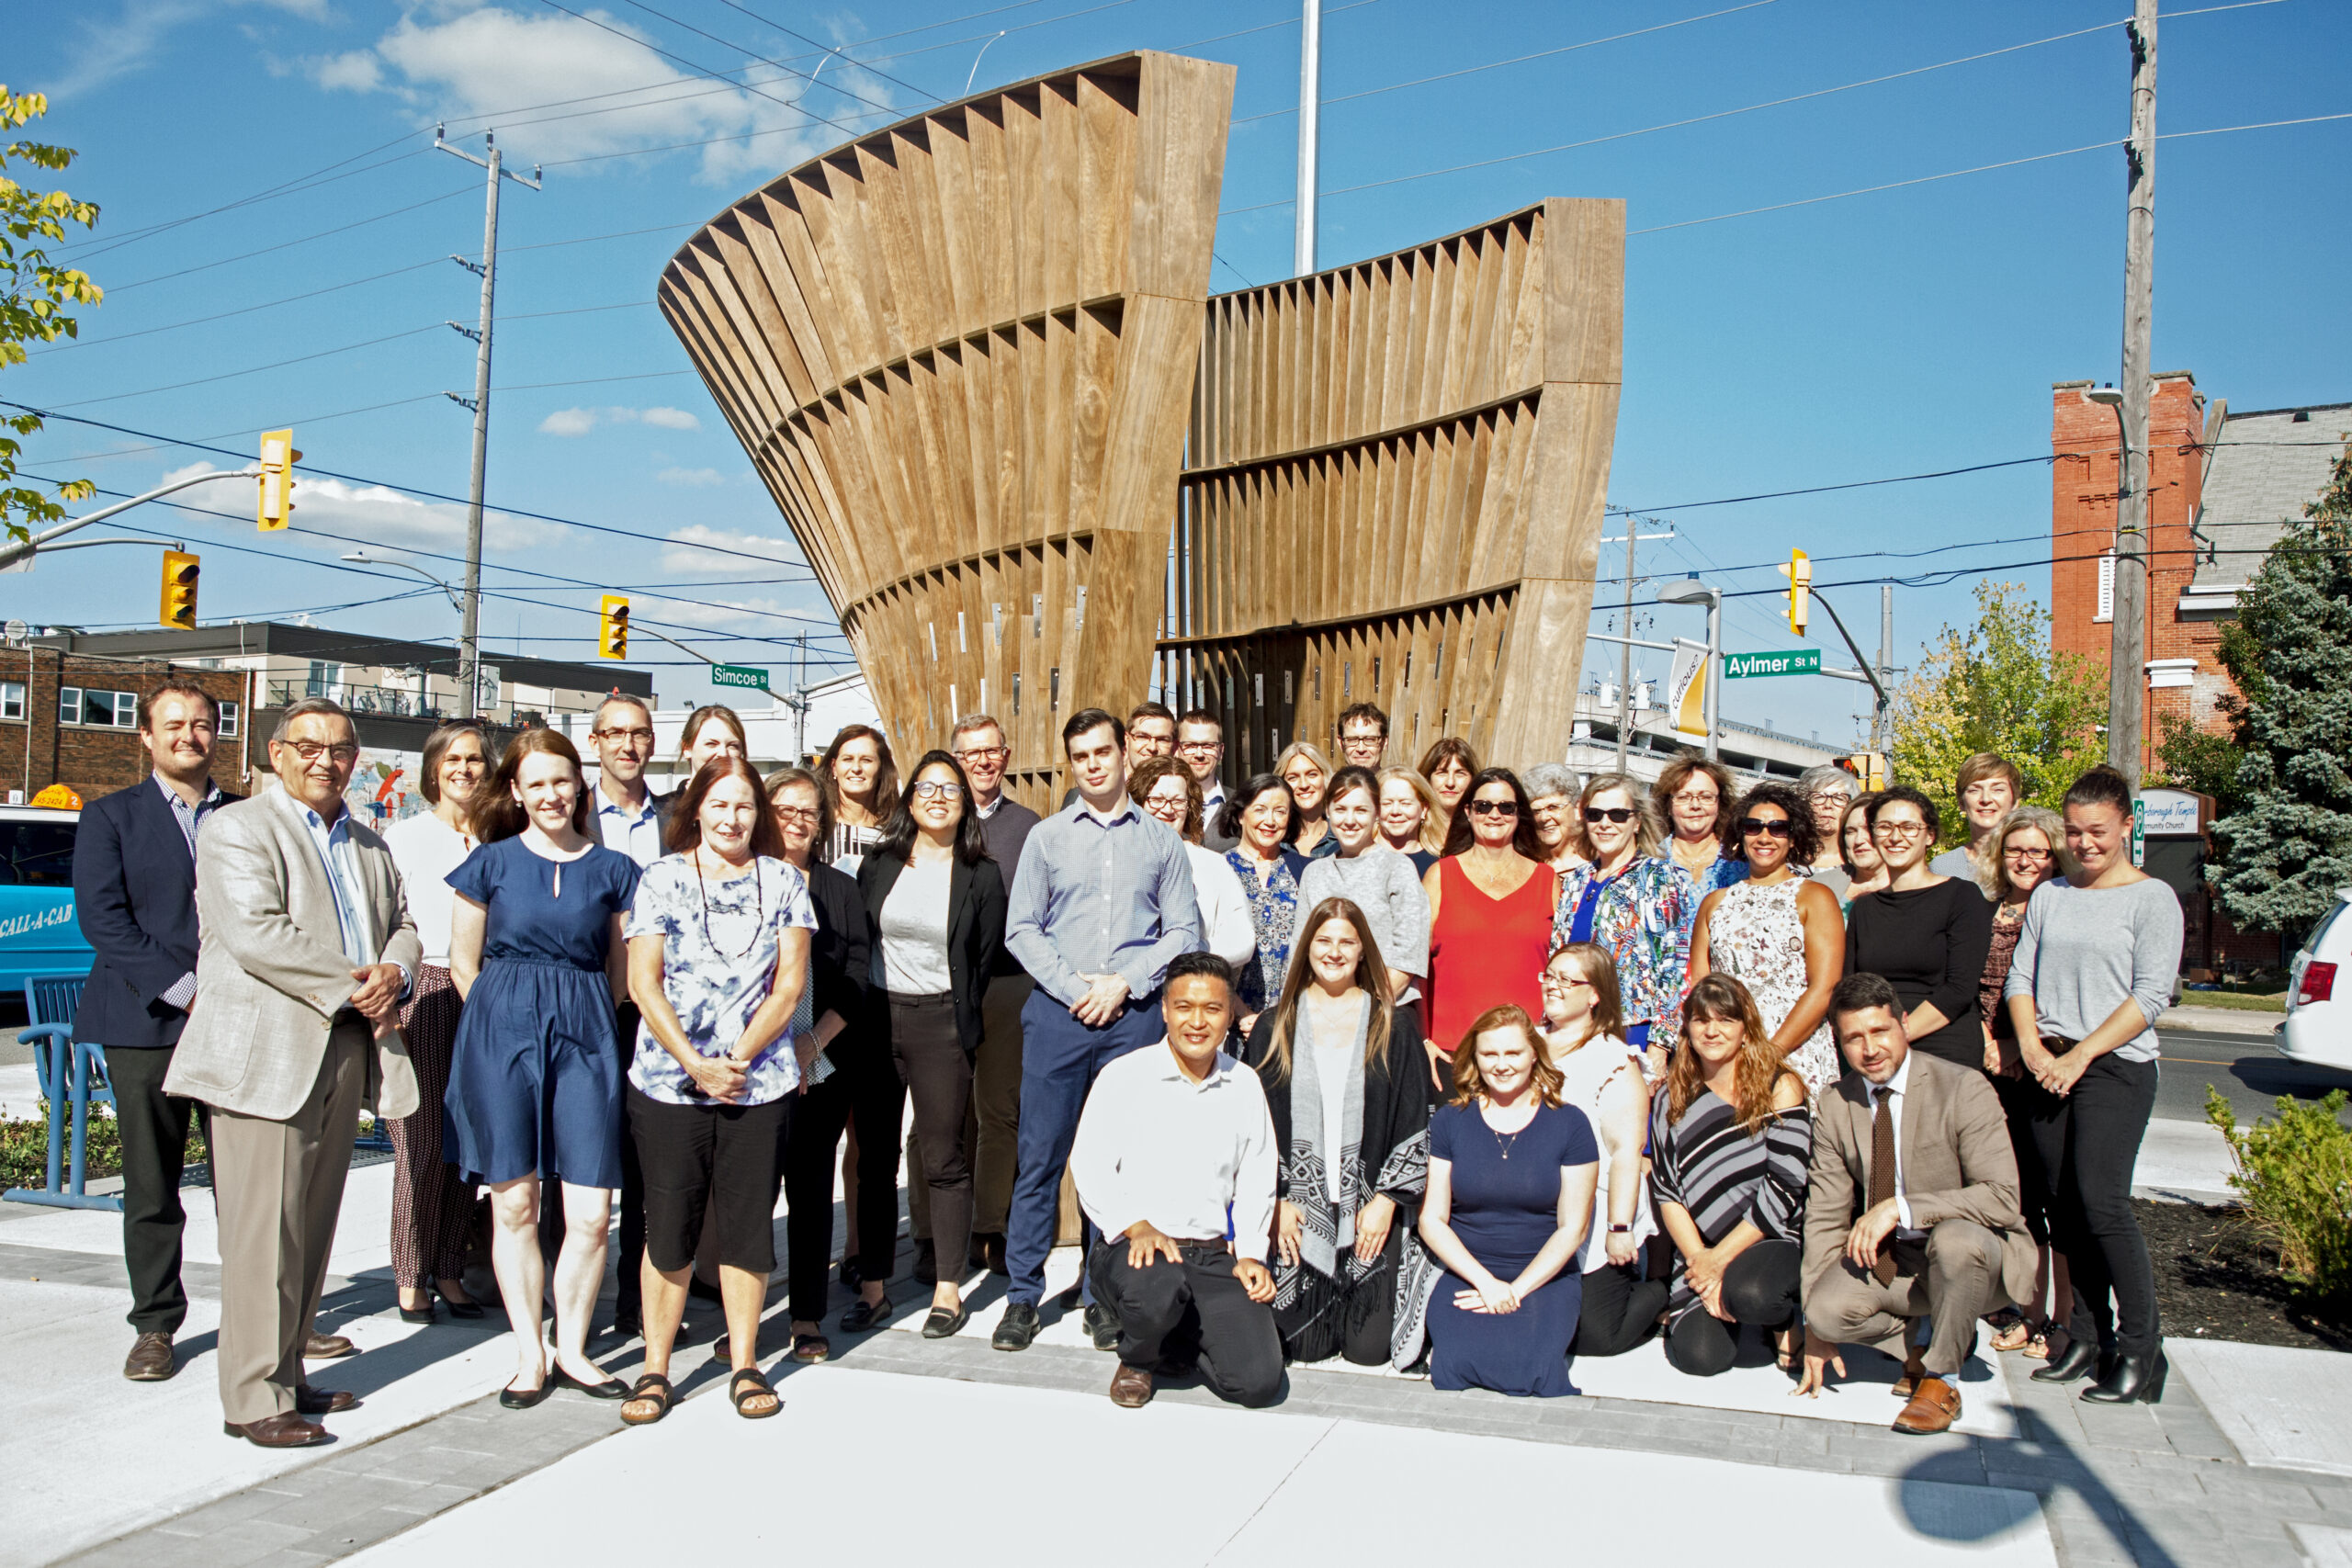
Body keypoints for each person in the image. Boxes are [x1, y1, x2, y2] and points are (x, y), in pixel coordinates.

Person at [164, 698, 418, 1448]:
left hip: (344, 1046)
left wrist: (396, 972)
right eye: (307, 745)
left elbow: (404, 920)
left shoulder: (370, 844)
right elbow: (257, 933)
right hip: (268, 1052)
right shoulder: (237, 828)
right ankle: (252, 1397)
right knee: (261, 1232)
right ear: (275, 753)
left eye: (340, 747)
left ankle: (286, 1369)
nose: (324, 759)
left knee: (309, 1228)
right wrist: (357, 980)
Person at [444, 728, 642, 1408]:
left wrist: (582, 1020)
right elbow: (462, 964)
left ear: (579, 785)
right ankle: (530, 1352)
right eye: (537, 782)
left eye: (562, 780)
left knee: (590, 1212)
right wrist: (502, 1023)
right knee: (517, 1202)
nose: (552, 793)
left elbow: (622, 975)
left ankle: (576, 1348)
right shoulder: (489, 863)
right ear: (517, 791)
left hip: (586, 1034)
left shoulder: (615, 870)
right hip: (501, 1034)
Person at [993, 708, 1202, 1353]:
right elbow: (1021, 928)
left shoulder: (1160, 841)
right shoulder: (1048, 838)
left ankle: (1100, 1296)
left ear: (1122, 754)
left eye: (1102, 751)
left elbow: (1183, 933)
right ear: (1071, 762)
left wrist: (1123, 983)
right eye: (1079, 754)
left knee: (1118, 1162)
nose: (1092, 763)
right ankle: (1022, 1295)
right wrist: (1077, 987)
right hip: (1060, 1014)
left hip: (1131, 1017)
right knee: (1040, 1156)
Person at [616, 756, 814, 1426]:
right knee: (668, 1227)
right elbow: (644, 983)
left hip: (758, 1084)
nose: (733, 818)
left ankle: (746, 1361)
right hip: (670, 1084)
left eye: (745, 806)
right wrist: (696, 1063)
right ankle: (655, 1366)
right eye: (720, 804)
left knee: (747, 1227)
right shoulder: (662, 878)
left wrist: (736, 1058)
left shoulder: (784, 880)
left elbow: (789, 986)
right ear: (696, 807)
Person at [74, 683, 244, 1382]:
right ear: (145, 736)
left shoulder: (248, 816)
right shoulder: (110, 816)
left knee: (248, 1183)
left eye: (203, 724)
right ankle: (155, 1324)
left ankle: (266, 1318)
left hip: (238, 1023)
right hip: (145, 1022)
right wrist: (187, 991)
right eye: (174, 724)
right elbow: (105, 921)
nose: (190, 735)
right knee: (153, 1184)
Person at [2005, 765, 2183, 1405]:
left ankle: (2142, 1349)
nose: (2084, 843)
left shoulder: (2152, 898)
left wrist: (2080, 1053)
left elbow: (2150, 995)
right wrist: (2030, 1045)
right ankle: (2086, 1334)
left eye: (2097, 831)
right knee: (2062, 1205)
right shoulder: (2051, 894)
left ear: (2127, 826)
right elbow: (2020, 977)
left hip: (2114, 1065)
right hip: (2048, 1063)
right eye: (2074, 831)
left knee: (2103, 1205)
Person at [1795, 973, 2039, 1435]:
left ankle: (1940, 1378)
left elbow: (2003, 1198)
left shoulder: (1963, 1087)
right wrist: (1815, 1328)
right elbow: (1825, 1216)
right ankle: (1919, 1341)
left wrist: (1900, 1208)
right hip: (1897, 1262)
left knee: (1955, 1240)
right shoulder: (1834, 1103)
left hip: (1976, 1259)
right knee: (1827, 1311)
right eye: (1854, 1038)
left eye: (1880, 1031)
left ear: (1904, 1024)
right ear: (1839, 1043)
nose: (1870, 1049)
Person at [1072, 953, 1282, 1408]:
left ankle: (1174, 1336)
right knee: (1158, 1291)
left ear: (1230, 1015)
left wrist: (1249, 1254)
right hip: (1138, 1249)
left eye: (1212, 1009)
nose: (1197, 1021)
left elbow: (1257, 1177)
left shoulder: (1243, 1083)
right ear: (1165, 1009)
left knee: (1259, 1382)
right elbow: (1088, 1164)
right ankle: (1139, 1356)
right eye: (1184, 1007)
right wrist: (1134, 1224)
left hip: (1208, 1254)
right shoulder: (1125, 1076)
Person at [856, 750, 1007, 1338]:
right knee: (874, 1161)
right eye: (927, 786)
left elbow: (985, 958)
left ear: (965, 801)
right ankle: (873, 1287)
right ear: (910, 797)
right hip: (876, 1018)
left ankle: (948, 1288)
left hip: (942, 1022)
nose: (938, 796)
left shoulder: (982, 874)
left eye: (951, 787)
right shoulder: (879, 863)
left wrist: (953, 1008)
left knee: (942, 1157)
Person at [1242, 899, 1430, 1367]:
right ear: (1307, 948)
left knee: (1367, 1352)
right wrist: (1276, 1201)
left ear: (1364, 951)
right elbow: (1249, 1128)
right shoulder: (1274, 1026)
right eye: (1324, 941)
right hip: (1297, 1209)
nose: (1334, 951)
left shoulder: (1392, 1025)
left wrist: (1387, 1201)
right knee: (1303, 1345)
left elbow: (1414, 1118)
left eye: (1347, 942)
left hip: (1367, 1206)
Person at [1417, 1006, 1600, 1397]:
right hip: (1469, 1270)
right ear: (1474, 1058)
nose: (1501, 1065)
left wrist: (1515, 1290)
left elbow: (1574, 1228)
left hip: (1542, 1271)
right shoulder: (1450, 1121)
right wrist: (1486, 1283)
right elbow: (1432, 1219)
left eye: (1512, 1053)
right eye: (1490, 1054)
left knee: (1531, 1371)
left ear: (1534, 1054)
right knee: (1453, 1369)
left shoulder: (1571, 1124)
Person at [380, 721, 492, 1325]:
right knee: (419, 1146)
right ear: (433, 768)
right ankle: (409, 1271)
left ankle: (450, 1266)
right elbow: (387, 922)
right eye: (454, 758)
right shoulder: (404, 837)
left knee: (463, 1145)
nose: (466, 768)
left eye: (476, 759)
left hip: (481, 990)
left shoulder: (499, 837)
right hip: (422, 986)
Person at [1649, 974, 1812, 1379]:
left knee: (1753, 1296)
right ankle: (1718, 1298)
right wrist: (1700, 1261)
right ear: (1687, 1027)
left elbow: (1786, 1187)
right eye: (1701, 1020)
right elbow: (1668, 1192)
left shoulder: (1779, 1085)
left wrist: (1720, 1261)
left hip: (1770, 1236)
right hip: (1701, 1246)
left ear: (1745, 1028)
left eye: (1726, 1020)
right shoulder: (1671, 1097)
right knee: (1701, 1358)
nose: (1712, 1030)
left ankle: (1782, 1321)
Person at [770, 767, 877, 1365]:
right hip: (753, 1064)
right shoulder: (745, 879)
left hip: (823, 1061)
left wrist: (815, 1042)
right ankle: (745, 1310)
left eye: (808, 811)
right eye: (785, 809)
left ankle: (806, 1312)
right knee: (751, 1195)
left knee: (810, 1192)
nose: (797, 821)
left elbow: (858, 971)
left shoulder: (839, 888)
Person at [580, 694, 670, 1336]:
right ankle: (570, 1304)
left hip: (657, 1008)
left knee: (647, 1160)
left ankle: (636, 1303)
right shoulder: (571, 812)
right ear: (595, 741)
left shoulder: (677, 819)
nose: (628, 745)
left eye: (639, 733)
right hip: (589, 1003)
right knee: (581, 1158)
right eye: (615, 733)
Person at [1979, 804, 2078, 1359]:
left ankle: (2063, 1318)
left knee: (2052, 1195)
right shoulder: (1987, 910)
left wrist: (2022, 1043)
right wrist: (1987, 1042)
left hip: (2042, 1064)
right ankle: (2029, 1309)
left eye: (2039, 850)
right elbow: (1970, 986)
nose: (2027, 860)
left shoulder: (2063, 909)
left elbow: (2057, 988)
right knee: (2017, 1203)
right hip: (1989, 1067)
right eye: (2016, 849)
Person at [1537, 943, 1665, 1359]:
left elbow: (1626, 1151)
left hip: (1598, 1208)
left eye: (1566, 980)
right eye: (1550, 975)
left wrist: (1619, 1228)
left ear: (1594, 995)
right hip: (1531, 1204)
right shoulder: (1525, 1043)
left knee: (1595, 1337)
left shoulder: (1614, 1060)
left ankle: (1660, 1288)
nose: (1553, 986)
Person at [950, 713, 1042, 1274]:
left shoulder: (1029, 826)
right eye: (970, 753)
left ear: (1006, 758)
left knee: (998, 1112)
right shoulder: (936, 817)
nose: (983, 762)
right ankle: (936, 1233)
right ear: (956, 758)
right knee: (941, 1116)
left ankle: (990, 1227)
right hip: (943, 984)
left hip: (1008, 984)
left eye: (992, 752)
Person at [1690, 782, 1845, 1094]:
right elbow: (1700, 986)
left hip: (1794, 1050)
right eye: (1753, 827)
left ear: (1793, 837)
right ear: (1739, 835)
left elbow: (1824, 987)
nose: (1764, 837)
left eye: (1778, 828)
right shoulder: (1714, 903)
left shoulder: (1814, 897)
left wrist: (1769, 1054)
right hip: (1724, 1053)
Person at [1550, 772, 1701, 1075]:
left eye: (1618, 814)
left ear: (1637, 822)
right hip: (1574, 1027)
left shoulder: (1659, 878)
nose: (1605, 824)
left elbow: (1673, 967)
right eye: (1595, 814)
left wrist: (1660, 1045)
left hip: (1632, 1030)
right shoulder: (1576, 880)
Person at [1844, 786, 1996, 1072]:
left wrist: (1898, 1035)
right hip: (1876, 1050)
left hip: (1943, 1044)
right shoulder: (1865, 908)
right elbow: (1850, 987)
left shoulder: (1962, 896)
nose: (1896, 837)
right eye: (1885, 827)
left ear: (1930, 835)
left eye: (1909, 827)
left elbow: (1959, 990)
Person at [1423, 768, 1553, 1091]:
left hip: (1526, 1053)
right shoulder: (1440, 876)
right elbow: (1414, 967)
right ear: (1467, 812)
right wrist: (1421, 1038)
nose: (1494, 814)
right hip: (1452, 1053)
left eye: (1505, 807)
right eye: (1483, 806)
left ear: (1519, 814)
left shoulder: (1548, 881)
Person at [1300, 766, 1430, 1005]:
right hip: (1323, 1011)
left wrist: (1365, 1007)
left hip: (1387, 1008)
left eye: (1360, 810)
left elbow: (1409, 952)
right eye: (1340, 809)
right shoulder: (1314, 873)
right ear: (1328, 811)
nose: (1349, 820)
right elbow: (1299, 953)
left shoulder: (1397, 868)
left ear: (1376, 814)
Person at [1131, 757, 1255, 972]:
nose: (1167, 809)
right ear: (1138, 802)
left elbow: (1241, 940)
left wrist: (1187, 959)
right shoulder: (1116, 860)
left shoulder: (1213, 864)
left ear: (1190, 806)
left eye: (1178, 801)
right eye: (1157, 799)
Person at [1221, 773, 1310, 1021]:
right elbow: (1207, 950)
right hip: (1231, 1018)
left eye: (1280, 812)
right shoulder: (1218, 868)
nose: (1270, 820)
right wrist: (1242, 1013)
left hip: (1292, 1017)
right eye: (1260, 809)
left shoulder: (1306, 870)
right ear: (1241, 815)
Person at [1655, 753, 1745, 896]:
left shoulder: (1739, 864)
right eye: (1683, 797)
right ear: (1668, 806)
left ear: (1720, 804)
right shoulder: (1649, 860)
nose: (1695, 805)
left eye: (1706, 797)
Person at [1930, 752, 2022, 887]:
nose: (1986, 799)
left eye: (1997, 789)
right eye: (1974, 790)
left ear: (2015, 802)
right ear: (1961, 803)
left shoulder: (2032, 864)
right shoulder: (1943, 868)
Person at [818, 724, 898, 870]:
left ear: (881, 769)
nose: (856, 769)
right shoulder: (816, 828)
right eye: (848, 759)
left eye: (866, 760)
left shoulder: (895, 835)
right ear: (834, 767)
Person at [1522, 761, 1589, 895]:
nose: (1544, 818)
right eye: (1536, 811)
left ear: (1577, 809)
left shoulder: (1596, 870)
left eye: (1553, 807)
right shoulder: (1523, 866)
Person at [1175, 709, 1235, 851]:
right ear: (1177, 749)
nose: (1199, 754)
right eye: (1190, 745)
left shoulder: (1241, 805)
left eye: (1208, 746)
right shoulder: (1160, 805)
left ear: (1221, 752)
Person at [1797, 763, 1859, 895]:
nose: (1828, 805)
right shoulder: (1788, 857)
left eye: (1839, 798)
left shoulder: (1859, 861)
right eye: (1818, 797)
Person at [1378, 765, 1449, 877]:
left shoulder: (1440, 866)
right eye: (1387, 803)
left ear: (1424, 809)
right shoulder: (1355, 857)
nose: (1395, 811)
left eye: (1405, 803)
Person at [1278, 740, 1338, 858]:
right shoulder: (1275, 839)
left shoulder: (1342, 837)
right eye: (1293, 778)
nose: (1304, 785)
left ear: (1324, 778)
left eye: (1312, 775)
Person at [1836, 794, 1891, 912]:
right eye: (1850, 832)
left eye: (1868, 829)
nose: (1859, 840)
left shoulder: (1917, 890)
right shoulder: (1824, 885)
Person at [1418, 736, 1478, 831]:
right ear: (1428, 778)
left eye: (1460, 773)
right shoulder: (1411, 831)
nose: (1450, 783)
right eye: (1442, 773)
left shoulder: (1481, 832)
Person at [1337, 701, 1389, 769]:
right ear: (1340, 743)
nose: (1361, 749)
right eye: (1352, 740)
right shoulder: (1330, 780)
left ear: (1384, 742)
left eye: (1370, 739)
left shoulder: (1397, 780)